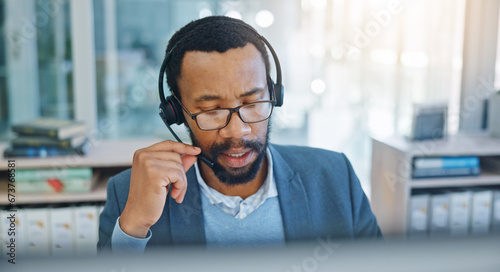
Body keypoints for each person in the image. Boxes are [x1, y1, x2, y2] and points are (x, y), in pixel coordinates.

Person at [98, 15, 382, 253]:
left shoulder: (335, 177)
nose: (238, 130)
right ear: (177, 111)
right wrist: (133, 229)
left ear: (274, 95)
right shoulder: (129, 195)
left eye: (252, 103)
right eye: (211, 110)